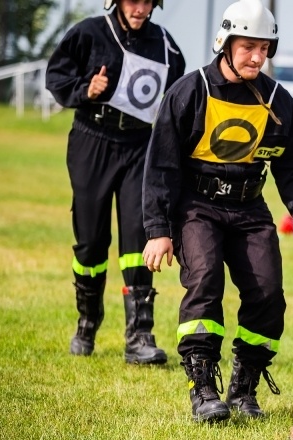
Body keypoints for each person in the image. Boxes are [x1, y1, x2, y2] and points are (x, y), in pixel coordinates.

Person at [142, 0, 293, 423]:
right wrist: (158, 229)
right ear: (224, 44)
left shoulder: (278, 100)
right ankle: (203, 387)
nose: (257, 56)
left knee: (267, 293)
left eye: (264, 48)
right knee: (204, 281)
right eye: (248, 47)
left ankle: (245, 387)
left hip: (249, 207)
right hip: (196, 206)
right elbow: (162, 166)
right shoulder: (189, 92)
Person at [45, 0, 186, 364]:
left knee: (139, 237)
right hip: (92, 139)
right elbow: (56, 77)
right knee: (91, 240)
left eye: (146, 1)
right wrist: (85, 90)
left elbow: (175, 102)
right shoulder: (89, 33)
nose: (139, 9)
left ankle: (139, 336)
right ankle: (87, 323)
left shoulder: (167, 46)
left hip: (140, 146)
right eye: (131, 0)